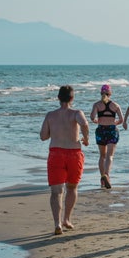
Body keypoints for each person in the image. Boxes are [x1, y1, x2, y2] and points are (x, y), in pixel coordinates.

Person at [39, 85, 89, 235]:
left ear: (58, 98)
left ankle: (57, 223)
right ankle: (67, 218)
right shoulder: (76, 113)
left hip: (56, 153)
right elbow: (85, 124)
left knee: (56, 191)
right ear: (72, 98)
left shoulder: (50, 115)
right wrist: (86, 138)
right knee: (72, 187)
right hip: (74, 153)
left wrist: (55, 131)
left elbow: (43, 136)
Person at [89, 85, 124, 189]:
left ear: (101, 93)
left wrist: (96, 121)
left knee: (102, 156)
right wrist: (115, 123)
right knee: (110, 156)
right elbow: (121, 120)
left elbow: (92, 117)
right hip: (112, 130)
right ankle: (107, 175)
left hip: (101, 130)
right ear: (110, 93)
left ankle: (102, 178)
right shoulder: (115, 105)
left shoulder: (96, 105)